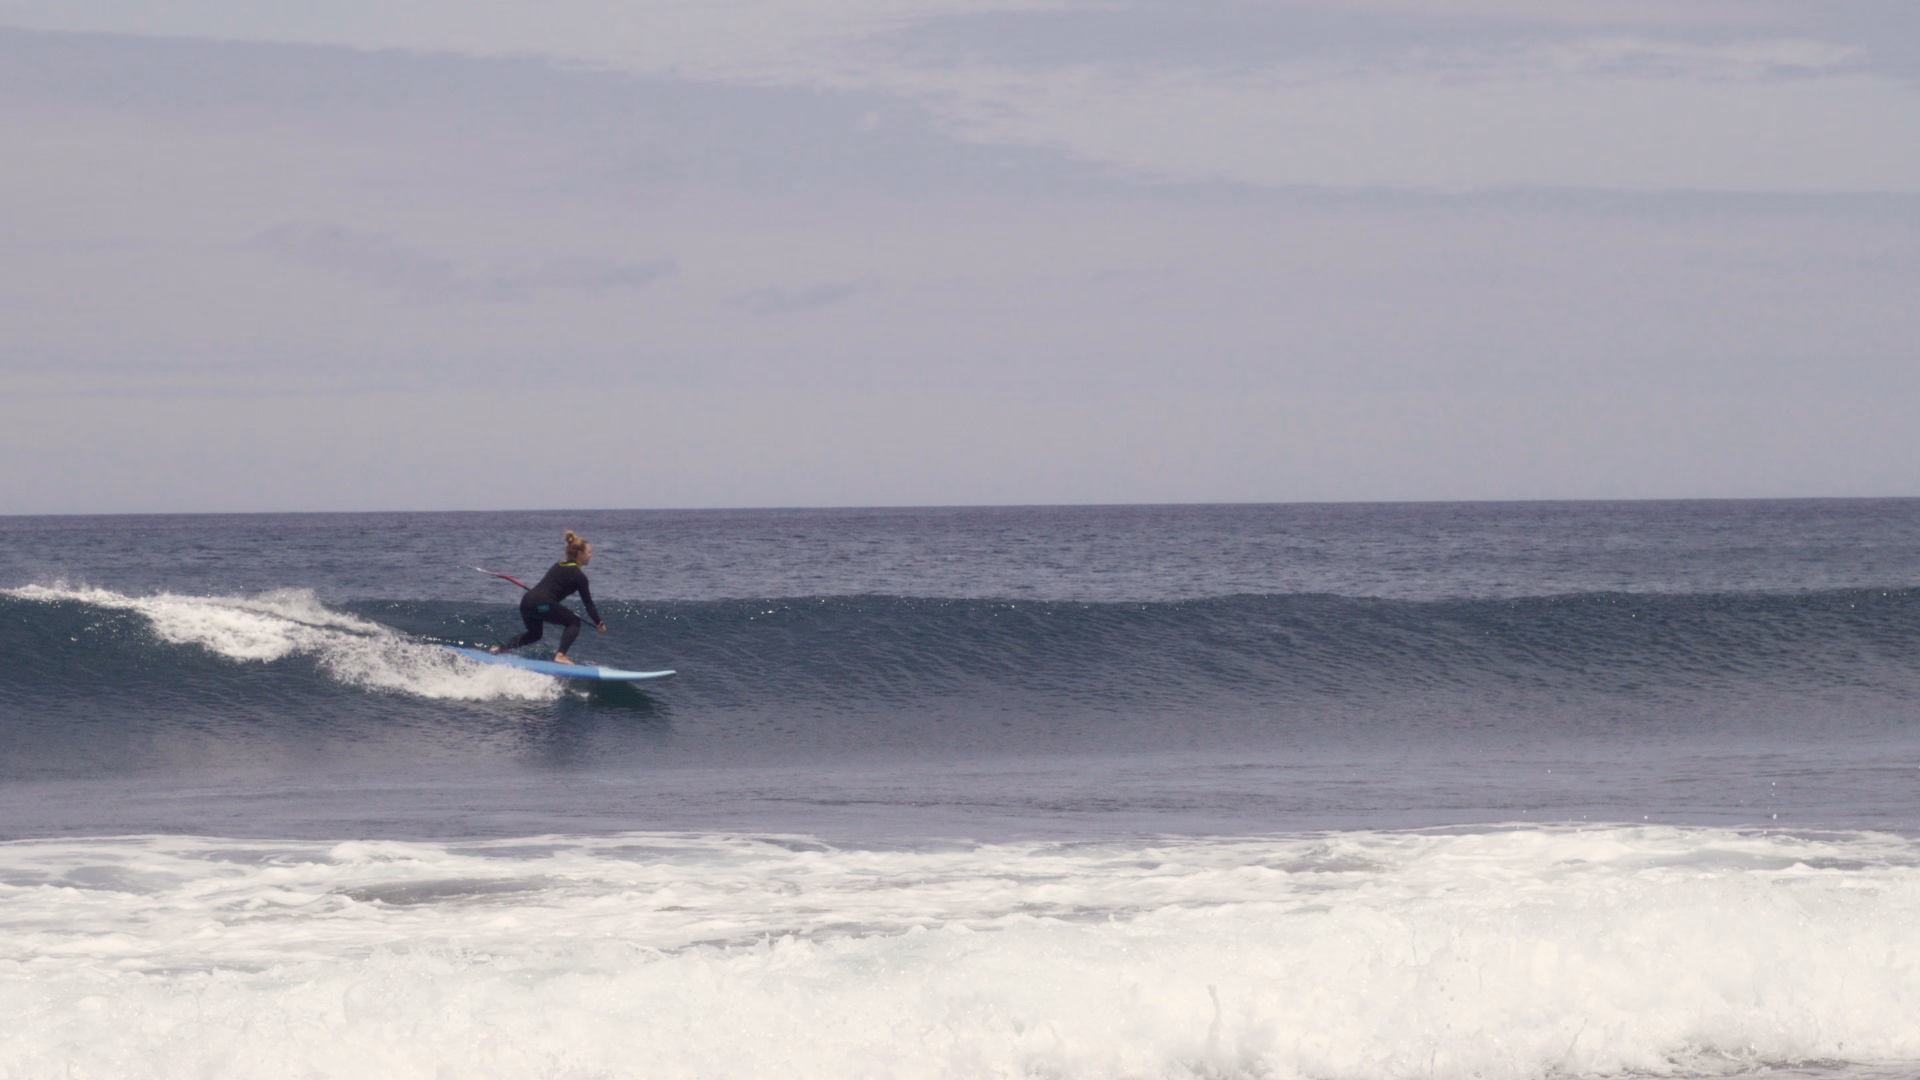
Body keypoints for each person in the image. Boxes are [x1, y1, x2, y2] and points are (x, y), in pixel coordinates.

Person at [492, 530, 606, 664]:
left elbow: (549, 586)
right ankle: (561, 655)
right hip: (542, 603)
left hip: (527, 601)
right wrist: (599, 623)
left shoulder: (559, 564)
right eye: (589, 552)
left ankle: (500, 649)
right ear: (580, 554)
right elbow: (589, 604)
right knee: (574, 622)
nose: (590, 555)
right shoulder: (580, 577)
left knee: (534, 635)